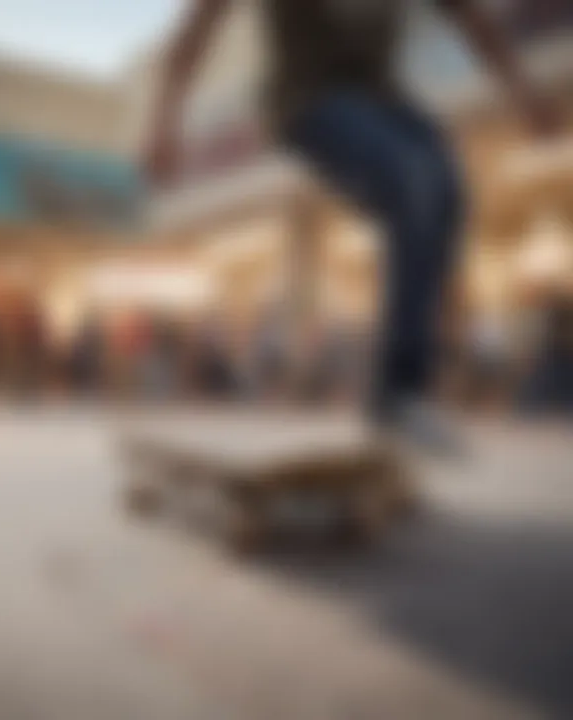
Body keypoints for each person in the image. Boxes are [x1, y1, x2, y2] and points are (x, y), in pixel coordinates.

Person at [143, 0, 564, 452]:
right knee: (413, 179)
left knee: (447, 186)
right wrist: (165, 121)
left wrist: (521, 92)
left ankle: (416, 381)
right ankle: (398, 394)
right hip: (308, 102)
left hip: (383, 100)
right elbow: (199, 26)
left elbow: (476, 23)